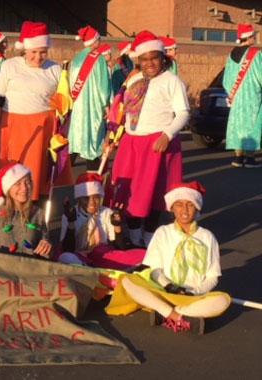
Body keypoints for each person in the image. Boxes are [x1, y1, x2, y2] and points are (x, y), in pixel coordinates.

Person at [106, 182, 230, 334]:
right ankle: (179, 316)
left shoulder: (207, 236)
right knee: (128, 281)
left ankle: (166, 313)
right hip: (164, 291)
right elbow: (154, 269)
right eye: (179, 204)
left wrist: (194, 292)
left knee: (222, 301)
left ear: (197, 208)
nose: (184, 210)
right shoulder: (163, 232)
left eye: (190, 205)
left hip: (192, 297)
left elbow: (212, 276)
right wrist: (170, 286)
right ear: (172, 208)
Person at [110, 30, 189, 248]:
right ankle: (134, 237)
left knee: (154, 192)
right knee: (130, 192)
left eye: (154, 57)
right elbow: (123, 110)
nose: (150, 63)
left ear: (163, 57)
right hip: (132, 142)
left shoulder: (172, 81)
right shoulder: (134, 79)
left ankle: (148, 238)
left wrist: (167, 134)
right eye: (144, 59)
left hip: (158, 142)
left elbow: (183, 112)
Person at [0, 21, 73, 201]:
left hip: (44, 129)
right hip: (13, 127)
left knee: (39, 176)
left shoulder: (55, 69)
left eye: (43, 52)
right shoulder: (9, 66)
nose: (38, 57)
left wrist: (62, 135)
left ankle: (36, 212)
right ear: (25, 49)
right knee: (12, 175)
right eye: (34, 52)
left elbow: (65, 106)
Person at [57, 173, 146, 270]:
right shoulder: (70, 214)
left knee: (143, 255)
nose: (91, 202)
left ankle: (92, 272)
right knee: (65, 257)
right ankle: (92, 271)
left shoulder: (106, 212)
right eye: (86, 198)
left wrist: (117, 226)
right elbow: (68, 249)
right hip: (79, 256)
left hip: (102, 255)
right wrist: (71, 223)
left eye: (96, 197)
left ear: (100, 197)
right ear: (79, 199)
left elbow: (121, 248)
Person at [0, 163, 51, 257]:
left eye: (27, 183)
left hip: (30, 269)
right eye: (18, 184)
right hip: (2, 269)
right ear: (8, 188)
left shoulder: (38, 213)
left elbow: (45, 251)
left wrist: (47, 246)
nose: (24, 188)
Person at [68, 26, 112, 172]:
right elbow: (103, 85)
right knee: (93, 139)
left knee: (75, 138)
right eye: (98, 38)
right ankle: (93, 177)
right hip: (92, 106)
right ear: (94, 41)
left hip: (78, 104)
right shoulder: (98, 58)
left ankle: (63, 176)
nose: (100, 41)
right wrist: (106, 104)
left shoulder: (76, 58)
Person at [224, 24, 262, 168]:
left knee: (237, 125)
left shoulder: (231, 53)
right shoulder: (255, 53)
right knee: (252, 125)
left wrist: (231, 92)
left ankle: (238, 158)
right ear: (250, 37)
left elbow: (227, 78)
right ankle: (250, 159)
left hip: (236, 96)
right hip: (252, 95)